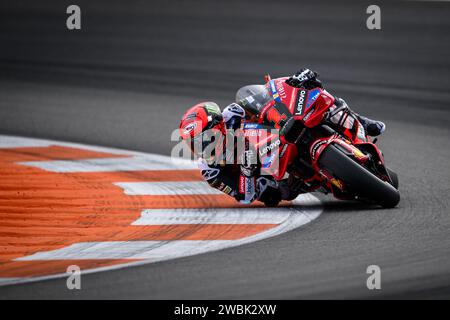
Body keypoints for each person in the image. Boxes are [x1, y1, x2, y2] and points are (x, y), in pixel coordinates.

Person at [178, 68, 385, 205]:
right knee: (276, 193)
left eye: (206, 138)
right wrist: (247, 170)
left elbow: (265, 99)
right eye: (196, 144)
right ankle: (319, 176)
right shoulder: (210, 170)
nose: (205, 146)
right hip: (271, 175)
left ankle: (362, 121)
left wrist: (292, 83)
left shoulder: (232, 113)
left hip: (278, 136)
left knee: (319, 97)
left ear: (217, 124)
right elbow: (244, 196)